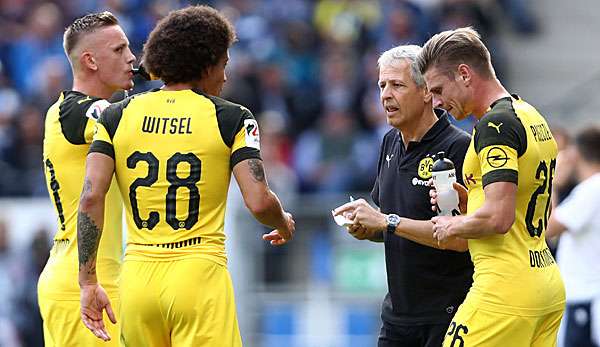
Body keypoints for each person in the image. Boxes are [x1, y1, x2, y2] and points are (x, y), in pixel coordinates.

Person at [76, 5, 295, 346]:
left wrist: (88, 281)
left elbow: (91, 196)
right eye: (223, 65)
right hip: (199, 276)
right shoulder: (231, 118)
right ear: (206, 65)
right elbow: (258, 200)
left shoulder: (116, 116)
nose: (224, 77)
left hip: (137, 280)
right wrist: (282, 222)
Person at [416, 27, 565, 346]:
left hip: (504, 289)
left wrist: (453, 223)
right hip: (545, 280)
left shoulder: (494, 127)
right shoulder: (530, 115)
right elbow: (530, 207)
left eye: (439, 90)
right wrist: (470, 201)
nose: (438, 103)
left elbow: (499, 218)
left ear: (465, 74)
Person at [333, 45, 473, 347]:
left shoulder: (458, 148)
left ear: (426, 92)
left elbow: (460, 240)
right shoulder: (389, 142)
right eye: (382, 85)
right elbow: (395, 228)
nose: (385, 95)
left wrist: (386, 221)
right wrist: (368, 229)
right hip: (397, 317)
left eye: (397, 85)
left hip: (447, 315)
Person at [37, 11, 135, 346]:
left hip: (89, 278)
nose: (132, 58)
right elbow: (133, 118)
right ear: (90, 60)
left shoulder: (69, 110)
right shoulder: (77, 112)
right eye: (119, 50)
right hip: (82, 284)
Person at [546, 127, 600, 347]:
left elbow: (547, 228)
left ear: (575, 154)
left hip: (585, 296)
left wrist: (553, 182)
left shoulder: (592, 188)